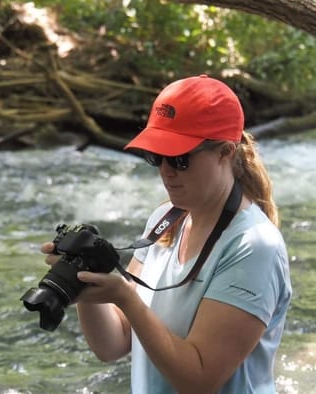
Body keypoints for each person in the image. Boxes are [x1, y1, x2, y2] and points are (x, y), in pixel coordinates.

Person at [41, 74, 292, 393]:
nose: (166, 171)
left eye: (179, 158)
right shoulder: (164, 221)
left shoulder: (254, 246)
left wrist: (126, 298)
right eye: (155, 156)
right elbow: (114, 344)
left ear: (225, 153)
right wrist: (83, 280)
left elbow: (199, 380)